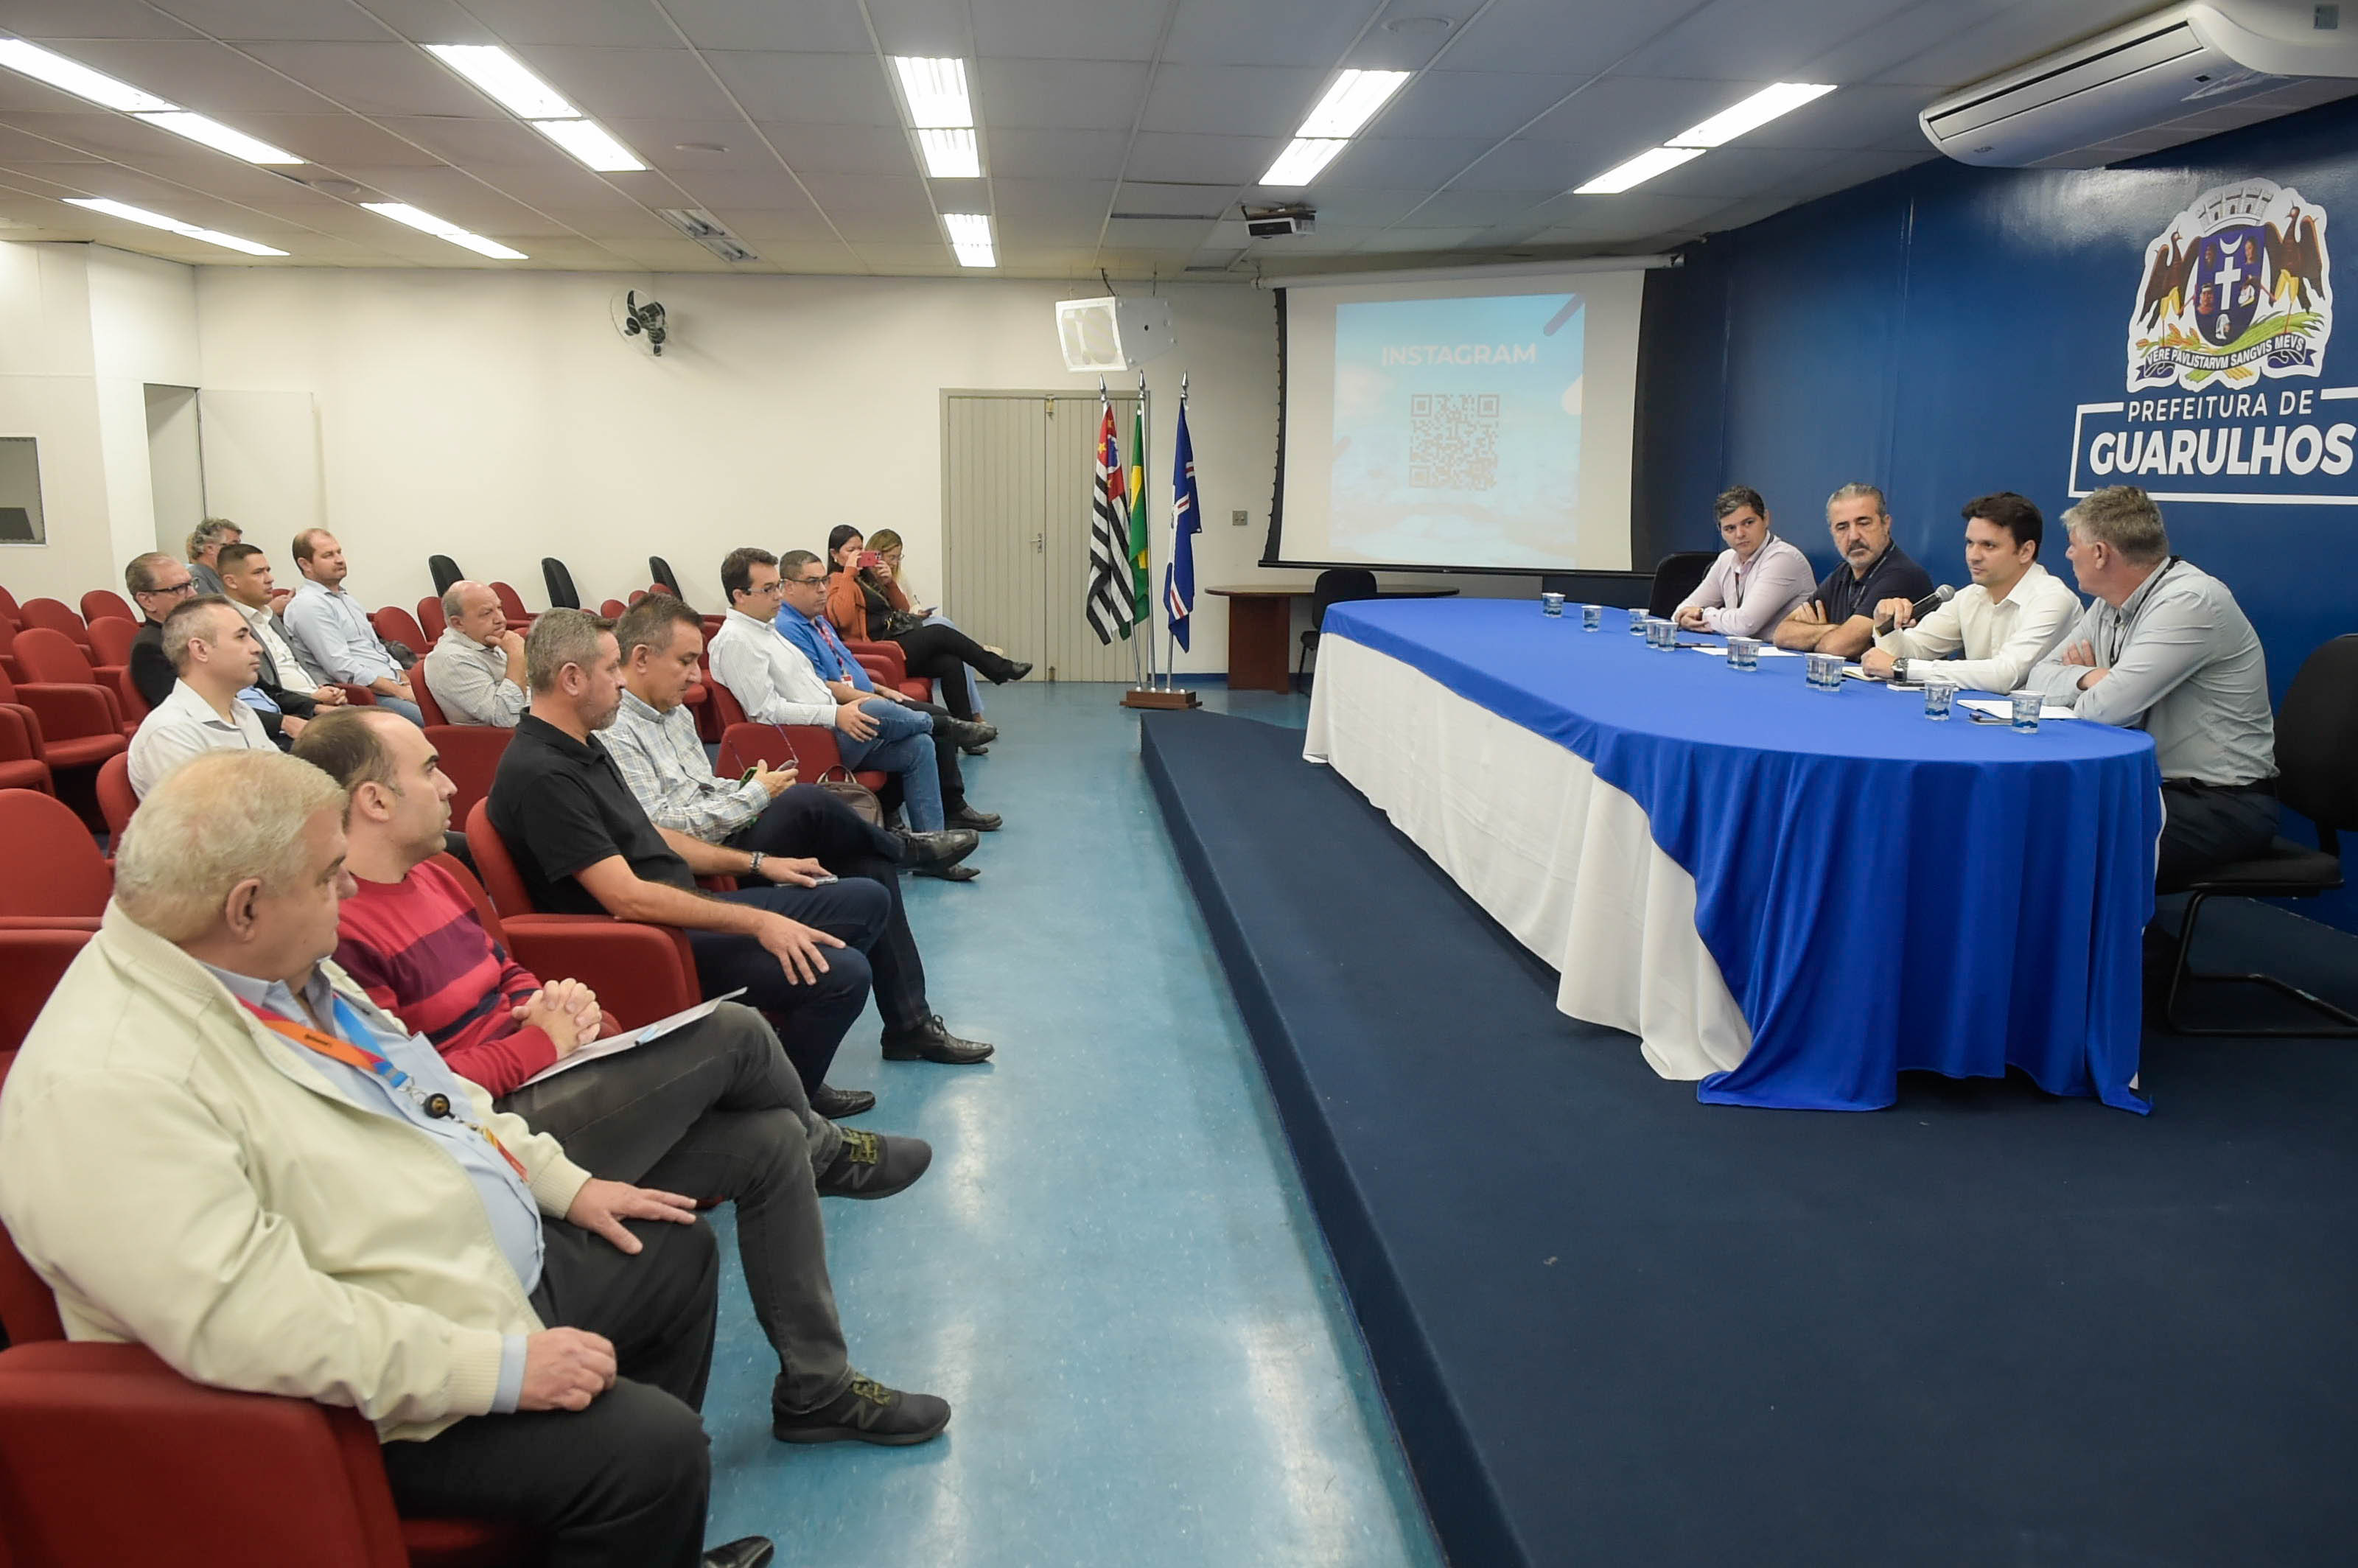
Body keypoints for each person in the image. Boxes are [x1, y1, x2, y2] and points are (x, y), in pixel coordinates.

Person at [0, 750, 774, 1568]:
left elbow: (431, 1092)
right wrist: (495, 1368)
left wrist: (564, 1185)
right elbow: (252, 1323)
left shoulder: (271, 966)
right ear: (247, 905)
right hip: (356, 1395)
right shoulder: (110, 1080)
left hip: (448, 1277)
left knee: (673, 1253)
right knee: (649, 1454)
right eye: (328, 873)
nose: (349, 888)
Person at [295, 707, 953, 1446]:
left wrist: (556, 1005)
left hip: (550, 1074)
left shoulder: (435, 876)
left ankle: (816, 1386)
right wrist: (539, 1042)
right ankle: (825, 1149)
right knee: (735, 1031)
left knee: (770, 1143)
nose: (449, 784)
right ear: (375, 801)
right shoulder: (337, 930)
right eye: (428, 770)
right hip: (498, 1129)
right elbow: (422, 1094)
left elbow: (506, 971)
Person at [486, 609, 890, 1120]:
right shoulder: (544, 775)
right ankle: (781, 1115)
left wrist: (759, 863)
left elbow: (652, 835)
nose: (620, 682)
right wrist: (758, 921)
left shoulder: (581, 745)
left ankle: (779, 1078)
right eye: (610, 670)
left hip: (678, 909)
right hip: (648, 943)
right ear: (571, 679)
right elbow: (626, 897)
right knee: (844, 974)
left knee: (867, 900)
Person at [604, 597, 994, 1065]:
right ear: (641, 658)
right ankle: (903, 848)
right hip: (704, 863)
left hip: (728, 828)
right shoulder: (617, 728)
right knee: (809, 801)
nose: (695, 676)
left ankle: (910, 1024)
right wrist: (755, 795)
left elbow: (700, 789)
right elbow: (662, 827)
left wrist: (745, 787)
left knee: (867, 863)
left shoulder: (674, 712)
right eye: (686, 661)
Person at [2023, 485, 2277, 889]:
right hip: (2150, 784)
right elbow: (2039, 678)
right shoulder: (2109, 602)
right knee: (2036, 819)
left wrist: (2095, 688)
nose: (2068, 554)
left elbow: (2103, 713)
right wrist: (2091, 677)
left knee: (2067, 845)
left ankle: (2130, 934)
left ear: (2101, 553)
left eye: (2073, 545)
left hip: (2220, 802)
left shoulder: (2189, 601)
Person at [709, 548, 995, 841]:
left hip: (826, 729)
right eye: (768, 589)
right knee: (871, 709)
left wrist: (843, 707)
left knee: (919, 746)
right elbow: (766, 712)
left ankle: (932, 844)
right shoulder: (737, 641)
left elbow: (813, 684)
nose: (778, 596)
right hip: (805, 743)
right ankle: (944, 726)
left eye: (778, 586)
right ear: (740, 595)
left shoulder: (765, 630)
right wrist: (836, 713)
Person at [1860, 491, 2082, 692]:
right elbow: (1910, 652)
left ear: (2025, 551)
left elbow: (2006, 675)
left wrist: (1902, 667)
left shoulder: (2052, 599)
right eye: (1970, 543)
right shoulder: (1970, 596)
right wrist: (1886, 626)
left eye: (1989, 546)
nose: (1973, 556)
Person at [825, 525, 1029, 722]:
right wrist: (849, 573)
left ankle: (966, 727)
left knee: (951, 663)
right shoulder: (836, 580)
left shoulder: (866, 578)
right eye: (851, 550)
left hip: (895, 640)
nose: (857, 554)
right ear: (834, 554)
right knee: (940, 631)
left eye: (860, 549)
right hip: (881, 650)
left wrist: (889, 583)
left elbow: (903, 610)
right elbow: (842, 619)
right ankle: (999, 669)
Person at [126, 595, 278, 797]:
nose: (257, 647)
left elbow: (281, 784)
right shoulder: (170, 733)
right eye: (241, 637)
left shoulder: (242, 712)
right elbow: (214, 814)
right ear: (200, 650)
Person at [1772, 483, 1936, 657]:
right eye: (1842, 527)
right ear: (1832, 532)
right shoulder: (1844, 572)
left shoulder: (1904, 575)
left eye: (1864, 523)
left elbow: (1836, 647)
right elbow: (1782, 634)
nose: (1854, 536)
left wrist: (1816, 634)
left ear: (1886, 524)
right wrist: (1835, 631)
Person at [282, 528, 424, 725]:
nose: (339, 560)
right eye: (328, 555)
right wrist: (400, 692)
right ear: (305, 564)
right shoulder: (308, 605)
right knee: (434, 721)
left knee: (456, 710)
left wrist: (405, 680)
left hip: (391, 686)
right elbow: (341, 667)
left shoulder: (347, 600)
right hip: (363, 696)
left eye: (339, 552)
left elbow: (377, 649)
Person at [217, 540, 349, 717]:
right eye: (258, 573)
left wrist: (328, 689)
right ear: (232, 582)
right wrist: (311, 699)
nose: (269, 579)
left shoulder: (269, 615)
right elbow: (261, 689)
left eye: (268, 570)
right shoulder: (228, 625)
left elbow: (301, 664)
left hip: (318, 699)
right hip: (291, 713)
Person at [867, 527, 986, 722]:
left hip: (909, 623)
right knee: (943, 625)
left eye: (898, 557)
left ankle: (971, 716)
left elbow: (910, 605)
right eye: (891, 557)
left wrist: (918, 611)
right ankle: (975, 650)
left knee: (956, 654)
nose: (895, 562)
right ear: (877, 554)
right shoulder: (866, 581)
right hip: (897, 634)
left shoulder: (898, 576)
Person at [1671, 486, 1818, 637]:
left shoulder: (1784, 559)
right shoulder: (1726, 559)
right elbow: (1683, 609)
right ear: (1721, 531)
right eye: (1730, 528)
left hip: (1783, 651)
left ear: (1766, 519)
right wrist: (1683, 618)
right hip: (1743, 649)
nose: (1740, 534)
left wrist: (1702, 614)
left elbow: (1745, 624)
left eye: (1748, 523)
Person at [426, 579, 529, 727]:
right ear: (458, 623)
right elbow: (507, 718)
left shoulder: (485, 640)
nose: (501, 619)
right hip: (506, 737)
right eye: (487, 613)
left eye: (499, 608)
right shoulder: (453, 661)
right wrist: (517, 656)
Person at [185, 517, 241, 596]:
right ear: (210, 548)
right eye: (233, 546)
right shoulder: (196, 577)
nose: (239, 551)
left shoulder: (222, 575)